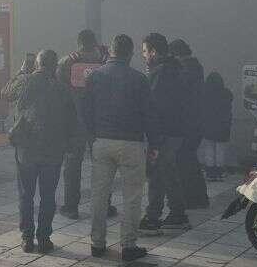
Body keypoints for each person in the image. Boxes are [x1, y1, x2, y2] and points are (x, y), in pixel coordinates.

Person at [84, 34, 162, 262]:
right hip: (131, 143)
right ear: (129, 54)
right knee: (132, 197)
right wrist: (155, 144)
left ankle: (97, 244)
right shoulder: (139, 79)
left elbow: (85, 111)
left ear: (110, 51)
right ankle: (128, 245)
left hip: (102, 142)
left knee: (99, 195)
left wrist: (92, 138)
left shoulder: (95, 77)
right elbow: (150, 115)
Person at [1, 49, 79, 254]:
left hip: (26, 150)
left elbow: (5, 93)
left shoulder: (25, 81)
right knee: (47, 196)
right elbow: (72, 122)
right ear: (55, 66)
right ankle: (44, 239)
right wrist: (69, 147)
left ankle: (27, 239)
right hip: (53, 153)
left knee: (26, 195)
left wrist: (20, 72)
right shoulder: (62, 89)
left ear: (36, 64)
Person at [55, 29, 113, 220]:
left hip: (75, 123)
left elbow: (59, 90)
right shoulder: (104, 61)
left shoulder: (67, 62)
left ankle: (71, 207)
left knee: (72, 165)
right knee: (102, 164)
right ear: (94, 42)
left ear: (78, 43)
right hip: (99, 122)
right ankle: (105, 205)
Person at [138, 34, 193, 234]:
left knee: (157, 173)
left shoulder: (161, 72)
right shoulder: (173, 68)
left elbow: (154, 106)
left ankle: (155, 216)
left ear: (153, 51)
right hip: (174, 131)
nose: (143, 56)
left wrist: (154, 136)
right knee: (166, 171)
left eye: (145, 51)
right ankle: (175, 214)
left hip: (163, 133)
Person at [170, 39, 209, 210]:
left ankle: (192, 198)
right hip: (196, 122)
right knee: (190, 160)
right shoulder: (195, 67)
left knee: (184, 161)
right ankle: (199, 198)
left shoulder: (185, 69)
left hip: (187, 123)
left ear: (175, 54)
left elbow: (178, 93)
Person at [199, 72, 233, 181]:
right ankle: (219, 172)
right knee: (220, 150)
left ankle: (210, 172)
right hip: (222, 127)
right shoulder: (226, 94)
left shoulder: (204, 94)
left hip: (208, 126)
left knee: (209, 148)